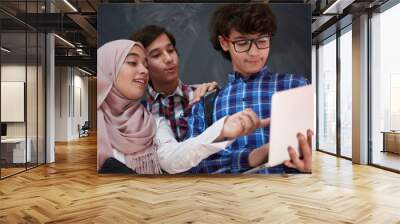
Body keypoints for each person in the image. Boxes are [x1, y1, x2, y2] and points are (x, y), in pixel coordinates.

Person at [97, 39, 271, 174]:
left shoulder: (154, 123)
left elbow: (173, 158)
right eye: (132, 62)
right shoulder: (95, 125)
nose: (144, 70)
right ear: (109, 69)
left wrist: (221, 130)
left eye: (145, 64)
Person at [186, 3, 313, 174]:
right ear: (224, 42)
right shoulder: (207, 102)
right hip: (225, 198)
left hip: (284, 196)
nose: (254, 52)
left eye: (261, 41)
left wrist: (310, 166)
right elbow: (192, 163)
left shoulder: (296, 87)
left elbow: (313, 148)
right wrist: (254, 156)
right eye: (242, 42)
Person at [130, 25, 218, 142]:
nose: (168, 59)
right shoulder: (137, 115)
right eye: (156, 55)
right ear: (142, 65)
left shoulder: (204, 94)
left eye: (170, 50)